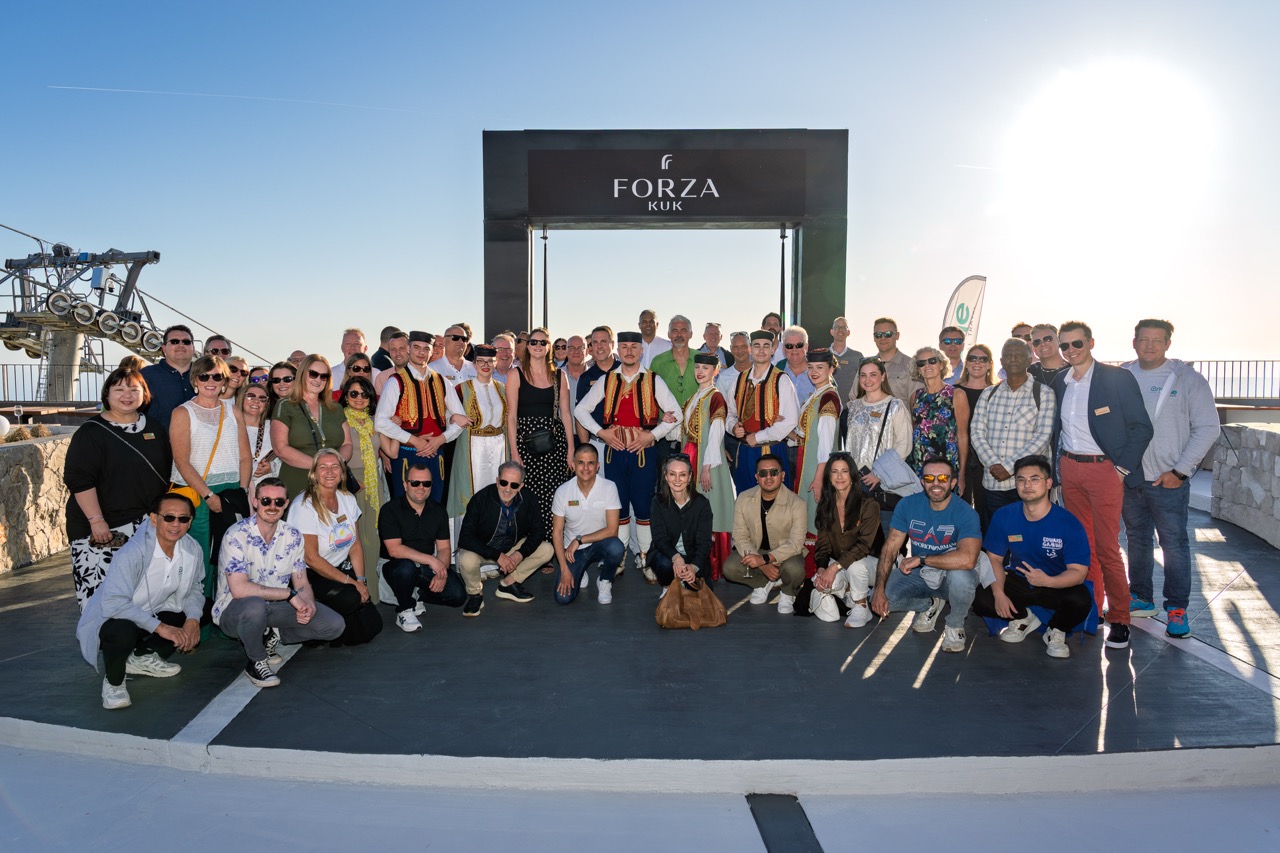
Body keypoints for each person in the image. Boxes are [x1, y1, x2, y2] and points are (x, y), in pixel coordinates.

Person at [1051, 320, 1153, 650]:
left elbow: (1142, 427)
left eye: (1076, 344)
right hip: (1070, 468)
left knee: (1108, 546)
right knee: (1084, 545)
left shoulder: (1116, 378)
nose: (1070, 351)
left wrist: (1121, 469)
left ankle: (1120, 618)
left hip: (1105, 471)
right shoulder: (1060, 381)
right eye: (1064, 346)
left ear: (1091, 343)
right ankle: (1092, 610)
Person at [1121, 319, 1220, 638]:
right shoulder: (1123, 376)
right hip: (1131, 479)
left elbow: (1208, 428)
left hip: (1170, 481)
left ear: (1167, 344)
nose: (1149, 345)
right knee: (1136, 541)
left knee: (1174, 544)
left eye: (1157, 340)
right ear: (1133, 342)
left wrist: (1180, 471)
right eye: (1143, 339)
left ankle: (1177, 609)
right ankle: (1141, 598)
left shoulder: (1188, 379)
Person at [76, 494, 203, 710]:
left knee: (203, 608)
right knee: (122, 630)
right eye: (169, 517)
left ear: (190, 522)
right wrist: (162, 628)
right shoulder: (132, 552)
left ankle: (142, 657)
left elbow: (195, 588)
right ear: (154, 519)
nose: (176, 524)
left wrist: (192, 620)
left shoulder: (192, 549)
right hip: (116, 618)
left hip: (153, 613)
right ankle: (114, 683)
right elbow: (114, 604)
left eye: (183, 519)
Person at [212, 478, 344, 686]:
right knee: (254, 605)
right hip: (235, 611)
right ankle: (256, 661)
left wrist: (307, 603)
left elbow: (301, 581)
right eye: (266, 500)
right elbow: (239, 589)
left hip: (274, 609)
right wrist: (290, 595)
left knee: (334, 625)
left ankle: (272, 634)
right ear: (255, 502)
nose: (272, 507)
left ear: (286, 503)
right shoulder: (236, 534)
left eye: (278, 502)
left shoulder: (292, 535)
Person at [574, 331, 683, 573]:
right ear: (618, 350)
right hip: (615, 453)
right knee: (618, 506)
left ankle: (645, 556)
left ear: (641, 351)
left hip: (644, 453)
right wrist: (601, 433)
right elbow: (580, 410)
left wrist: (651, 435)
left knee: (643, 505)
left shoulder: (654, 380)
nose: (630, 351)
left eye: (634, 347)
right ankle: (619, 556)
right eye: (624, 347)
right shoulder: (608, 379)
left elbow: (677, 414)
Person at [64, 366, 172, 609]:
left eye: (134, 389)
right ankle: (106, 643)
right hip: (103, 527)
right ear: (107, 394)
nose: (127, 394)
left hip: (144, 525)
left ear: (144, 394)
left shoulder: (153, 426)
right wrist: (96, 520)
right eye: (119, 389)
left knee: (141, 593)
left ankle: (136, 643)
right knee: (100, 595)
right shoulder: (91, 432)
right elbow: (79, 480)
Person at [972, 455, 1092, 659]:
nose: (1027, 485)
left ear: (1048, 483)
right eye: (1021, 479)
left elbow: (1079, 573)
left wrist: (1049, 581)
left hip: (1056, 583)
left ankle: (1056, 631)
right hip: (1020, 580)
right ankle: (1024, 617)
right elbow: (993, 559)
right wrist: (1000, 594)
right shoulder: (1005, 515)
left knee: (1080, 600)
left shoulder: (1068, 523)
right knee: (979, 597)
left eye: (1034, 479)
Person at [870, 458, 987, 654]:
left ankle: (955, 625)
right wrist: (880, 588)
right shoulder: (908, 505)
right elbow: (890, 548)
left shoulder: (966, 512)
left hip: (953, 574)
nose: (936, 483)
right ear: (922, 482)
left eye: (942, 478)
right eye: (929, 478)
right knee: (881, 597)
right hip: (923, 574)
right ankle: (930, 604)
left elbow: (968, 559)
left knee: (961, 577)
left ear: (953, 482)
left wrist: (922, 559)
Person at [169, 354, 251, 592]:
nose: (211, 381)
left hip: (230, 491)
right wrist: (208, 496)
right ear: (196, 379)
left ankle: (225, 619)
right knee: (200, 560)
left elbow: (245, 457)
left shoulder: (233, 412)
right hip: (197, 494)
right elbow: (182, 462)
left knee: (231, 559)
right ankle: (199, 622)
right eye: (205, 376)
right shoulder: (183, 413)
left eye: (217, 376)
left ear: (225, 380)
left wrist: (242, 491)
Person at [970, 339, 1055, 530]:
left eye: (1019, 355)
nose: (1013, 359)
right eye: (1008, 355)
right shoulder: (988, 394)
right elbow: (976, 432)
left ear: (1029, 360)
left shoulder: (1043, 394)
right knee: (997, 538)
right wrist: (993, 464)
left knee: (1030, 536)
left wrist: (1009, 468)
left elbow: (1042, 437)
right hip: (994, 483)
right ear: (1001, 361)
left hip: (1030, 485)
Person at [456, 461, 554, 614]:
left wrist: (519, 554)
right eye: (503, 483)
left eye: (514, 485)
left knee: (547, 550)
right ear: (497, 481)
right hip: (484, 549)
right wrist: (497, 556)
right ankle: (475, 594)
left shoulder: (528, 498)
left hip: (511, 548)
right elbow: (465, 538)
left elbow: (538, 531)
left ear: (521, 486)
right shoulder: (481, 499)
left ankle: (508, 583)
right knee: (465, 559)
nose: (508, 489)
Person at [506, 327, 576, 542]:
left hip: (553, 444)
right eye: (534, 342)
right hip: (525, 444)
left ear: (549, 347)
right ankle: (529, 547)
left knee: (553, 497)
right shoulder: (515, 374)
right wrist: (514, 453)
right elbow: (511, 417)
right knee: (528, 498)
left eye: (543, 342)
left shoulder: (559, 375)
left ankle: (548, 547)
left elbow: (565, 414)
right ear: (527, 346)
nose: (538, 346)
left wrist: (571, 450)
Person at [379, 460, 467, 628]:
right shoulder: (390, 510)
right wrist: (432, 560)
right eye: (415, 482)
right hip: (395, 568)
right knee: (406, 567)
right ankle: (405, 610)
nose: (421, 487)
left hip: (423, 568)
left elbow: (444, 548)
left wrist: (441, 572)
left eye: (426, 483)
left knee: (457, 596)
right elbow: (394, 550)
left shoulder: (438, 511)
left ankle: (416, 594)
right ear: (405, 485)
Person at [290, 449, 368, 625]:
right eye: (323, 467)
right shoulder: (303, 505)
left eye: (335, 467)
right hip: (310, 574)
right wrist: (351, 583)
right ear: (314, 474)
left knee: (371, 626)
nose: (330, 472)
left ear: (342, 473)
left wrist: (361, 580)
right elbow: (311, 558)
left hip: (340, 569)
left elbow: (355, 544)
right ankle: (310, 615)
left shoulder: (348, 498)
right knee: (351, 598)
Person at [722, 454, 808, 614]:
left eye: (774, 472)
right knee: (730, 568)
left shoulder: (797, 503)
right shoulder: (743, 498)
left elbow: (795, 544)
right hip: (756, 551)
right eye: (763, 473)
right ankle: (763, 583)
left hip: (786, 554)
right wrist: (761, 564)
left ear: (782, 476)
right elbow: (740, 536)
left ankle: (787, 593)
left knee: (795, 569)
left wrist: (765, 559)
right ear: (756, 477)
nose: (768, 477)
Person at [375, 331, 453, 503]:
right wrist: (414, 440)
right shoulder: (395, 381)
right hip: (406, 454)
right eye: (416, 347)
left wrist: (440, 439)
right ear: (409, 349)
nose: (421, 352)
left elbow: (460, 419)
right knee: (404, 507)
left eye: (426, 348)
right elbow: (380, 422)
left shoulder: (441, 381)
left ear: (432, 352)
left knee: (434, 505)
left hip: (435, 453)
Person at [811, 452, 882, 628]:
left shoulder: (868, 504)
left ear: (852, 475)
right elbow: (823, 543)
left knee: (855, 565)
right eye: (834, 471)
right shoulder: (826, 504)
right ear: (829, 476)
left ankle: (861, 606)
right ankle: (846, 593)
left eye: (844, 471)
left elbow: (864, 546)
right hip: (842, 564)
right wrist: (821, 568)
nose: (840, 476)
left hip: (872, 566)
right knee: (823, 583)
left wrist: (833, 568)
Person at [681, 353, 736, 576]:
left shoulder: (715, 397)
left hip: (706, 459)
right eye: (698, 367)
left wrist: (706, 467)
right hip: (691, 455)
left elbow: (716, 434)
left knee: (711, 508)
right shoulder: (696, 396)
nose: (700, 371)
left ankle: (713, 565)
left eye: (706, 368)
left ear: (716, 371)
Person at [724, 330, 799, 492]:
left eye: (766, 346)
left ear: (773, 350)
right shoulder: (740, 379)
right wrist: (732, 427)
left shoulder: (782, 380)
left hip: (771, 450)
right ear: (750, 349)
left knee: (774, 502)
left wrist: (758, 437)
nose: (761, 350)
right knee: (745, 498)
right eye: (757, 346)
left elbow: (790, 420)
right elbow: (729, 412)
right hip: (744, 451)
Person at [271, 355, 353, 500]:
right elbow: (280, 449)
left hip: (332, 483)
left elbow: (347, 443)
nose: (318, 380)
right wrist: (322, 467)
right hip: (298, 481)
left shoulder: (336, 408)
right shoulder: (285, 406)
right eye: (313, 374)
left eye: (324, 376)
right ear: (302, 374)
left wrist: (334, 467)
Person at [551, 444, 625, 605]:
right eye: (581, 462)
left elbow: (612, 530)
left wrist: (580, 539)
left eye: (590, 463)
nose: (586, 468)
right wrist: (564, 569)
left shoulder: (609, 487)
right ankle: (579, 570)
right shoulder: (562, 491)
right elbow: (556, 533)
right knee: (563, 599)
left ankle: (605, 580)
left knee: (616, 547)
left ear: (598, 466)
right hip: (573, 552)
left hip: (599, 544)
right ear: (573, 464)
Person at [445, 345, 511, 519]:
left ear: (496, 363)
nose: (486, 365)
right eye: (481, 361)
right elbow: (447, 416)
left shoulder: (502, 388)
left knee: (498, 491)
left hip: (499, 447)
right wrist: (453, 419)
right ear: (474, 364)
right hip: (473, 447)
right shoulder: (462, 389)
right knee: (473, 492)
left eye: (490, 361)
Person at [841, 358, 912, 521]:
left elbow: (904, 444)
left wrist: (879, 473)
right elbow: (848, 443)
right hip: (855, 482)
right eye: (863, 375)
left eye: (873, 375)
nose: (867, 380)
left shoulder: (895, 405)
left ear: (883, 376)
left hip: (882, 483)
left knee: (882, 535)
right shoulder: (853, 406)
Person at [339, 373, 386, 604]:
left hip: (373, 481)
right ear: (346, 397)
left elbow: (392, 452)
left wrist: (392, 426)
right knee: (353, 539)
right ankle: (356, 591)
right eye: (353, 393)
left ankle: (373, 596)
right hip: (351, 481)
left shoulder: (376, 422)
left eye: (364, 394)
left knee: (372, 538)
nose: (359, 398)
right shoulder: (340, 420)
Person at [792, 349, 842, 542]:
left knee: (815, 514)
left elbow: (826, 444)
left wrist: (820, 476)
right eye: (811, 367)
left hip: (816, 466)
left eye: (819, 367)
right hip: (806, 462)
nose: (814, 372)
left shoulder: (828, 397)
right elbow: (805, 436)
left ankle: (815, 567)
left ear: (831, 369)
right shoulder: (817, 395)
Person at [909, 347, 970, 495]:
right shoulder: (915, 397)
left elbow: (962, 436)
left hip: (948, 468)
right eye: (921, 363)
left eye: (932, 361)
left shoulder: (956, 395)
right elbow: (914, 435)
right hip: (920, 469)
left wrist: (961, 475)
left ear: (941, 365)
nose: (927, 366)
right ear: (918, 369)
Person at [648, 454, 714, 589]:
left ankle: (686, 580)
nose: (677, 479)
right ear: (666, 477)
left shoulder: (702, 504)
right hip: (668, 555)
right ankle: (668, 586)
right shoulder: (657, 501)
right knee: (664, 565)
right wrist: (676, 557)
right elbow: (659, 538)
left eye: (682, 475)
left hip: (693, 557)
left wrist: (694, 567)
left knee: (701, 598)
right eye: (672, 474)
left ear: (689, 477)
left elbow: (704, 542)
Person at [954, 343, 995, 517]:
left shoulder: (998, 392)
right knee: (960, 506)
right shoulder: (954, 391)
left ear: (990, 363)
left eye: (982, 359)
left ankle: (985, 544)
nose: (977, 362)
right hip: (959, 455)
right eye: (972, 358)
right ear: (966, 362)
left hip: (987, 457)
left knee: (985, 508)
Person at [140, 324, 196, 430]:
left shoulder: (206, 376)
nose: (181, 345)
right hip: (159, 444)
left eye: (186, 342)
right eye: (174, 341)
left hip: (201, 444)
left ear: (193, 348)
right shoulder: (145, 376)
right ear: (164, 348)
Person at [576, 325, 620, 453]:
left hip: (624, 444)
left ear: (612, 344)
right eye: (595, 342)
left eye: (603, 342)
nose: (599, 346)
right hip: (597, 444)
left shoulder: (625, 371)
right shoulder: (585, 377)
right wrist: (586, 449)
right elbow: (580, 416)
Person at [240, 379, 280, 496]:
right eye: (251, 396)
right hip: (238, 489)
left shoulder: (273, 427)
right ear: (242, 398)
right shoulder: (230, 426)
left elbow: (285, 456)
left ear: (266, 404)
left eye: (262, 398)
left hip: (267, 490)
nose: (256, 401)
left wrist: (272, 467)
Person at [649, 314, 698, 408]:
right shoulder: (658, 362)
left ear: (690, 334)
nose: (679, 334)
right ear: (669, 334)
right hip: (667, 420)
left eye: (683, 330)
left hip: (697, 420)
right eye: (675, 330)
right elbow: (650, 394)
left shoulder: (701, 359)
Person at [870, 317, 919, 403]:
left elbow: (916, 401)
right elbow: (854, 398)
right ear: (874, 338)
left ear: (897, 335)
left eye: (888, 334)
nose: (883, 338)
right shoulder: (865, 366)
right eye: (878, 335)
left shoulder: (911, 365)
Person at [827, 317, 864, 404]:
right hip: (826, 407)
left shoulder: (858, 356)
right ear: (831, 331)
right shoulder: (823, 355)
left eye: (844, 328)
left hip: (850, 409)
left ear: (848, 332)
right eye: (837, 327)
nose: (840, 330)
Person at [777, 325, 816, 403]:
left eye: (799, 345)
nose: (794, 350)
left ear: (806, 347)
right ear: (783, 349)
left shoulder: (820, 370)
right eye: (789, 346)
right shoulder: (776, 371)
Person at [715, 331, 750, 398]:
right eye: (736, 347)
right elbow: (721, 406)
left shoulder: (760, 373)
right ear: (731, 349)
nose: (740, 351)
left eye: (743, 347)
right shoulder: (723, 377)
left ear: (750, 348)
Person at [561, 335, 589, 404]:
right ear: (566, 351)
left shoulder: (597, 377)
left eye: (580, 348)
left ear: (587, 351)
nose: (576, 351)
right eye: (571, 348)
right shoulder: (555, 376)